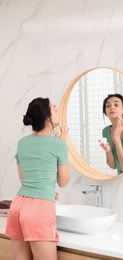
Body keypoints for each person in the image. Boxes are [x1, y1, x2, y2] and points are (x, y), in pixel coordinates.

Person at [5, 97, 70, 260]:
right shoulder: (59, 144)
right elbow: (63, 182)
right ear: (47, 117)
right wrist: (62, 145)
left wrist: (47, 189)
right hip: (39, 210)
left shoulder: (22, 142)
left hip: (18, 206)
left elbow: (25, 179)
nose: (58, 111)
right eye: (54, 108)